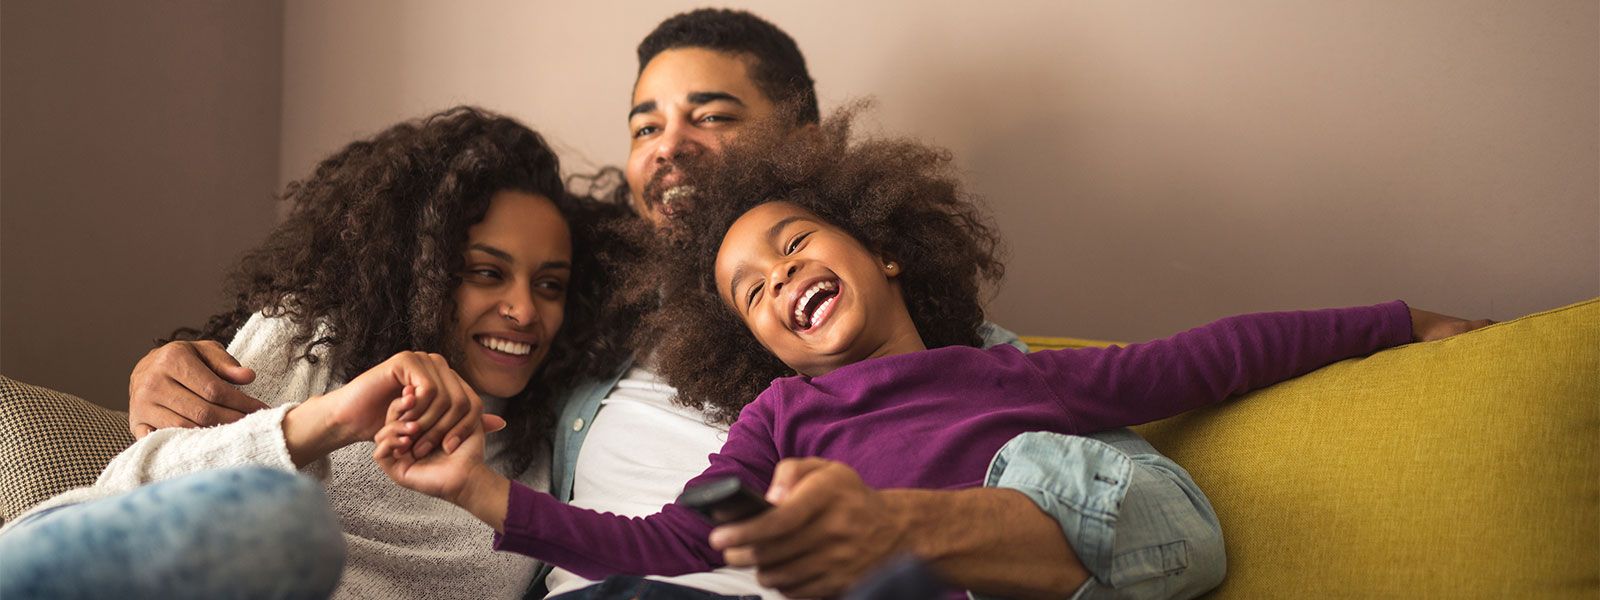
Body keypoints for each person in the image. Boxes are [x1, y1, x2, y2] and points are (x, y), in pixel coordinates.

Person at [366, 113, 1489, 600]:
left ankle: (896, 538)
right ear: (748, 344)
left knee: (1044, 464)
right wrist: (476, 493)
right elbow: (657, 541)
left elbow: (1214, 357)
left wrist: (1400, 322)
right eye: (748, 294)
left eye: (793, 245)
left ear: (884, 248)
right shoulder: (781, 430)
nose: (777, 282)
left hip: (1106, 551)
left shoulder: (1008, 372)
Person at [0, 106, 628, 599]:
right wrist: (333, 420)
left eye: (550, 285)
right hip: (88, 568)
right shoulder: (311, 339)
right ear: (425, 270)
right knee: (288, 524)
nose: (524, 310)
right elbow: (129, 490)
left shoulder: (535, 467)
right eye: (487, 274)